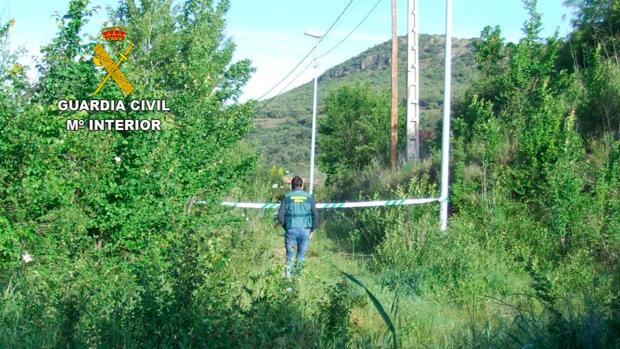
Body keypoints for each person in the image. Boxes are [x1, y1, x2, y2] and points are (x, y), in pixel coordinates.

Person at [277, 176, 319, 278]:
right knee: (301, 257)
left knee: (289, 257)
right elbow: (316, 216)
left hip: (291, 229)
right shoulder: (309, 197)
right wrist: (312, 230)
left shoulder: (287, 196)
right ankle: (298, 281)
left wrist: (286, 227)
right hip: (305, 230)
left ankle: (287, 284)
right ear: (302, 185)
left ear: (291, 185)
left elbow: (280, 215)